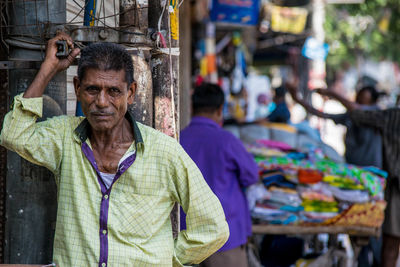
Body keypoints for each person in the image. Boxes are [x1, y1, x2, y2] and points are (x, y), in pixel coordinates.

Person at [0, 33, 229, 266]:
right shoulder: (64, 138)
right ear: (77, 89)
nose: (101, 101)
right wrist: (48, 69)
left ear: (130, 93)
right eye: (92, 89)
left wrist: (168, 259)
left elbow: (214, 227)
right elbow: (13, 134)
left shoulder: (164, 151)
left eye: (113, 91)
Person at [180, 83, 259, 267]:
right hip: (225, 236)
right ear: (219, 110)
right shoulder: (227, 140)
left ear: (192, 108)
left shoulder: (178, 139)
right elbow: (251, 176)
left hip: (185, 236)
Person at [288, 85, 383, 169]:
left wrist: (332, 93)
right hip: (352, 165)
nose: (358, 101)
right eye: (358, 98)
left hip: (372, 169)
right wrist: (297, 99)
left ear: (372, 103)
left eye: (362, 99)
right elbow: (321, 114)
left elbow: (359, 109)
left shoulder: (376, 113)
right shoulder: (351, 115)